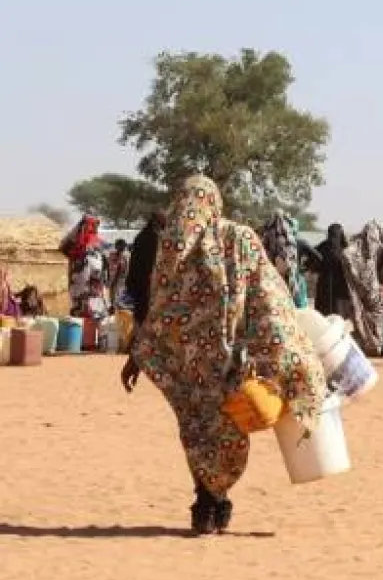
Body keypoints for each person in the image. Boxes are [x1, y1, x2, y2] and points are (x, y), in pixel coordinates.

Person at [120, 176, 326, 535]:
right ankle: (214, 499)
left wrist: (140, 353)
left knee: (198, 430)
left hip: (188, 368)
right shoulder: (239, 238)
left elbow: (160, 310)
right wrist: (287, 353)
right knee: (223, 429)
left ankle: (207, 501)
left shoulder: (173, 242)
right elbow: (270, 300)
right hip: (230, 363)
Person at [346, 221, 383, 355]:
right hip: (375, 290)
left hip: (359, 291)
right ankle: (376, 345)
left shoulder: (354, 251)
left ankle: (364, 344)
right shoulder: (382, 248)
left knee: (360, 315)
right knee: (377, 316)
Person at [259, 211, 310, 309]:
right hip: (289, 276)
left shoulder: (266, 238)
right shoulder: (290, 240)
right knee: (293, 303)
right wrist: (303, 268)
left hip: (272, 276)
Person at [311, 223, 360, 323]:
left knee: (323, 318)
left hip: (324, 287)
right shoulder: (346, 249)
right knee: (339, 318)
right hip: (341, 291)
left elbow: (311, 264)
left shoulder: (321, 247)